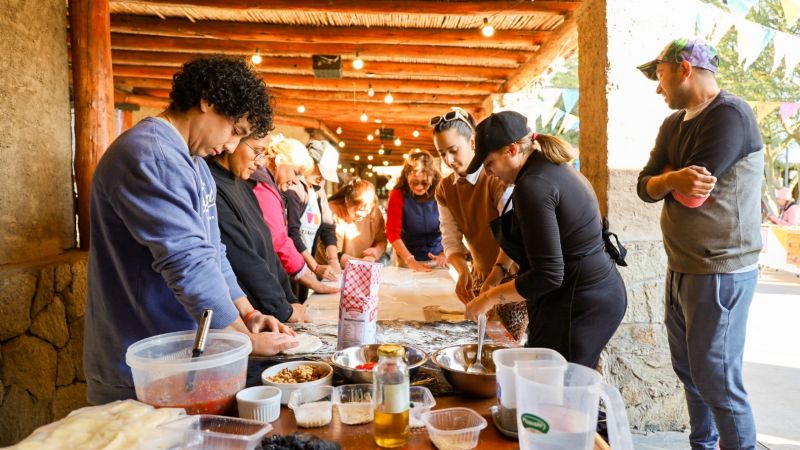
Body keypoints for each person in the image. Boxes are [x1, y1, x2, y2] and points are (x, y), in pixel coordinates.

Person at [85, 56, 298, 405]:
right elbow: (189, 264)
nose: (231, 147)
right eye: (234, 131)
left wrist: (248, 314)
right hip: (142, 363)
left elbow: (214, 253)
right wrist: (244, 341)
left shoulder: (195, 164)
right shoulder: (152, 156)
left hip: (183, 360)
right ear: (207, 101)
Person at [636, 38, 763, 450]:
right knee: (690, 372)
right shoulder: (673, 124)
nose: (658, 88)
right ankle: (702, 445)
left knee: (717, 379)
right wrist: (672, 177)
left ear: (684, 69)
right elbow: (643, 186)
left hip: (721, 269)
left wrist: (667, 178)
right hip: (681, 265)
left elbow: (694, 196)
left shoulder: (730, 115)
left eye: (660, 76)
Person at [463, 112, 627, 369]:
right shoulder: (547, 169)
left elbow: (548, 275)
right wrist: (498, 271)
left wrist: (490, 298)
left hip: (579, 303)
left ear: (512, 150)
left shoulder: (533, 186)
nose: (488, 172)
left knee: (561, 387)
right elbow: (534, 236)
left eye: (490, 163)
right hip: (590, 294)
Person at [431, 108, 527, 341]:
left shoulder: (496, 176)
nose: (448, 160)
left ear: (472, 143)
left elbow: (515, 234)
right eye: (442, 154)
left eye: (453, 150)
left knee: (505, 346)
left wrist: (496, 278)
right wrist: (462, 270)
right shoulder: (445, 189)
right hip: (482, 277)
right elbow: (451, 239)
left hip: (512, 277)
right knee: (481, 344)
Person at [208, 135, 306, 323]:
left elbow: (268, 250)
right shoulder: (214, 187)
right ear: (234, 139)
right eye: (257, 151)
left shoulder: (245, 187)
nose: (260, 163)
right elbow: (243, 257)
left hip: (268, 313)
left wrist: (289, 299)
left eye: (263, 154)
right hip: (250, 316)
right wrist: (282, 308)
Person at [250, 137, 338, 310]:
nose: (297, 180)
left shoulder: (311, 190)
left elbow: (327, 227)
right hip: (275, 270)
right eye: (296, 173)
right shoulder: (265, 185)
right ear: (280, 160)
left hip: (289, 267)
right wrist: (313, 276)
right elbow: (281, 238)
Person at [284, 139, 342, 302]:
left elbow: (328, 227)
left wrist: (333, 260)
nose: (323, 179)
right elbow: (292, 232)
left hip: (306, 264)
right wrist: (314, 266)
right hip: (290, 265)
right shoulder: (294, 188)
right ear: (309, 162)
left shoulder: (318, 190)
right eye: (321, 172)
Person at [386, 150, 447, 271]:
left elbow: (453, 226)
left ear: (432, 177)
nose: (419, 187)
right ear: (406, 176)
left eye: (424, 183)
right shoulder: (397, 194)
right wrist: (410, 260)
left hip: (440, 259)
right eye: (414, 182)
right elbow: (392, 232)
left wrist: (446, 253)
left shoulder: (442, 191)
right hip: (408, 259)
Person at [325, 178, 387, 265]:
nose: (362, 214)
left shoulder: (374, 212)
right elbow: (332, 252)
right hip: (334, 266)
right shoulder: (332, 211)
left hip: (362, 265)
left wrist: (376, 251)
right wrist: (360, 263)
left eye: (366, 211)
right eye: (358, 210)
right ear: (347, 200)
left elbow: (382, 240)